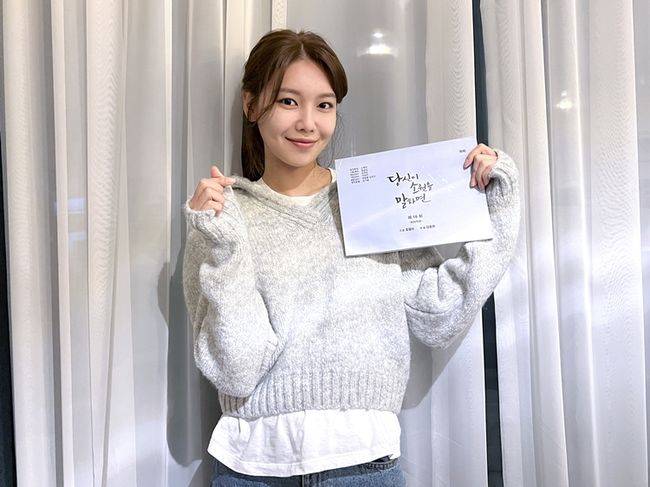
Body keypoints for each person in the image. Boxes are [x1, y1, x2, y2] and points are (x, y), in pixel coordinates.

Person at [182, 28, 520, 486]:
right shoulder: (223, 217)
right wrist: (222, 246)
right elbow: (236, 371)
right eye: (288, 101)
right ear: (251, 104)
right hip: (252, 470)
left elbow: (438, 316)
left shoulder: (370, 199)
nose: (308, 123)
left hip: (365, 467)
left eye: (324, 105)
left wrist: (498, 202)